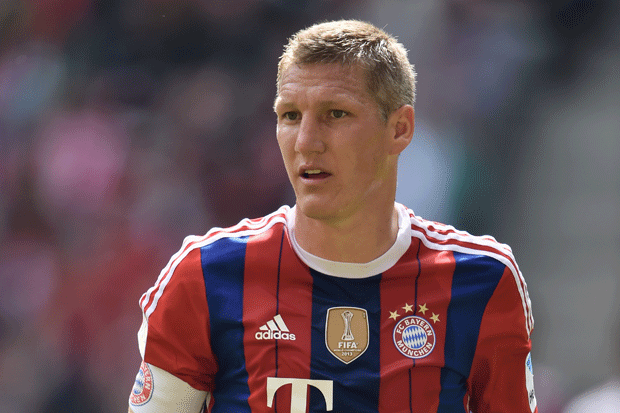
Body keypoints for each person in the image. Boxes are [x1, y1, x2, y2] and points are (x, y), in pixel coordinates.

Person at [127, 19, 537, 413]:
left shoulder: (481, 282)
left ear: (399, 129)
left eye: (335, 114)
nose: (306, 141)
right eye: (290, 116)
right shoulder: (205, 277)